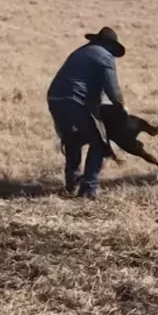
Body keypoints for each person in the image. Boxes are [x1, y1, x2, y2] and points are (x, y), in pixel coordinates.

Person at [46, 27, 127, 199]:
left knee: (73, 139)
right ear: (110, 45)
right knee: (99, 142)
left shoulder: (82, 51)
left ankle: (72, 182)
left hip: (55, 98)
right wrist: (121, 107)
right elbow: (112, 88)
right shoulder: (104, 56)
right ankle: (88, 189)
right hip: (76, 100)